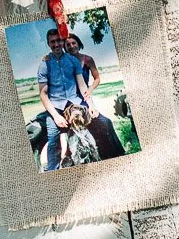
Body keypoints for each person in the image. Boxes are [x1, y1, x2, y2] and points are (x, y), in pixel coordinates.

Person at [37, 29, 98, 171]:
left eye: (59, 40)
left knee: (100, 124)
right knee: (53, 139)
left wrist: (91, 105)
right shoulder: (44, 64)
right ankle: (53, 170)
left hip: (74, 103)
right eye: (53, 42)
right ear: (48, 44)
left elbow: (82, 85)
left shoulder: (73, 61)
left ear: (62, 41)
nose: (57, 44)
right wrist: (56, 116)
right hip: (56, 107)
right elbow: (43, 94)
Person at [64, 32, 126, 159]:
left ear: (78, 44)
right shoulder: (63, 62)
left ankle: (116, 154)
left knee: (105, 122)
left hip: (86, 98)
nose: (71, 46)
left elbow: (97, 78)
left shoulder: (87, 59)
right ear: (65, 48)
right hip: (71, 102)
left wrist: (90, 89)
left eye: (73, 43)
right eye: (68, 44)